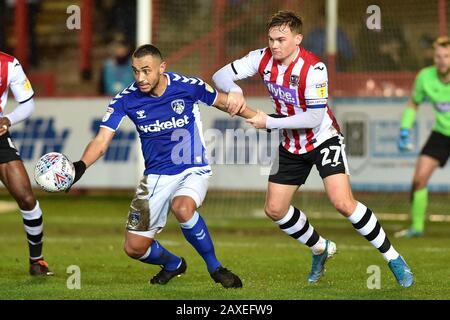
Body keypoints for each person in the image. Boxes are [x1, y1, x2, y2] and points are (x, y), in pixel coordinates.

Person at [212, 10, 413, 287]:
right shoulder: (261, 58)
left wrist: (269, 121)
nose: (274, 45)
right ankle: (320, 248)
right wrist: (235, 90)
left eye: (281, 39)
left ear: (298, 39)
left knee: (343, 203)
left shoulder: (314, 68)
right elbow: (220, 75)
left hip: (322, 139)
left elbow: (314, 117)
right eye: (271, 39)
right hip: (290, 143)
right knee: (274, 209)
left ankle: (393, 258)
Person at [68, 44, 252, 288]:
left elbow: (225, 103)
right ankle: (174, 264)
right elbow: (101, 140)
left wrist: (263, 119)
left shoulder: (188, 86)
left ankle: (215, 268)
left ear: (162, 67)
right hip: (155, 177)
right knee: (134, 248)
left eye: (146, 71)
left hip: (192, 169)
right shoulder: (126, 99)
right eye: (135, 71)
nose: (140, 78)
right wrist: (79, 167)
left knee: (182, 208)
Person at [0, 51, 53, 276]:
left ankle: (37, 261)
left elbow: (27, 105)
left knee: (26, 196)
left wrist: (8, 119)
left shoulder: (8, 64)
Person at [395, 36, 450, 238]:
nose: (442, 60)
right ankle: (417, 228)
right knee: (419, 179)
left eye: (446, 56)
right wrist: (404, 130)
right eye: (438, 56)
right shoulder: (425, 77)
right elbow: (413, 103)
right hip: (442, 133)